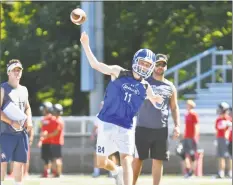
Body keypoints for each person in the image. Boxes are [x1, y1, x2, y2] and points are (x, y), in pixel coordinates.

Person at [80, 32, 163, 185]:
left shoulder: (146, 86)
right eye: (142, 62)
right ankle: (116, 170)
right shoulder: (119, 72)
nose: (144, 66)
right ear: (135, 61)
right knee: (101, 162)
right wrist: (85, 44)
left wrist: (157, 100)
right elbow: (96, 65)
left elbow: (154, 99)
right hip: (107, 122)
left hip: (127, 126)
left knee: (127, 158)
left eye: (147, 65)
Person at [132, 54, 180, 185]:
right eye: (157, 64)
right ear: (153, 66)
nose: (160, 67)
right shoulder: (143, 82)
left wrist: (177, 126)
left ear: (166, 66)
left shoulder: (170, 86)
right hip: (142, 127)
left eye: (163, 64)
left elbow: (174, 108)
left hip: (161, 129)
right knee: (137, 159)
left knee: (158, 160)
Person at [0, 59, 33, 185]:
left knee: (19, 163)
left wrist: (29, 120)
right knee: (2, 162)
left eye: (19, 70)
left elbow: (27, 107)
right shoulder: (2, 89)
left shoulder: (24, 89)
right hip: (5, 132)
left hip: (21, 133)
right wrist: (11, 122)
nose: (17, 73)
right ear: (8, 72)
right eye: (14, 70)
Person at [215, 102, 232, 178]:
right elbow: (217, 129)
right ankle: (221, 172)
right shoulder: (219, 119)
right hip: (220, 139)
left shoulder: (229, 119)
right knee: (221, 156)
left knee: (229, 156)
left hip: (228, 139)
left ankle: (230, 172)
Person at [183, 99, 199, 178]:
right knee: (185, 154)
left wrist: (195, 137)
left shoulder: (194, 114)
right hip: (186, 137)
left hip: (191, 137)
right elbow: (186, 127)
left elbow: (196, 126)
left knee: (192, 155)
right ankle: (188, 170)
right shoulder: (186, 114)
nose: (186, 106)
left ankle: (192, 172)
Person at [37, 102, 54, 178]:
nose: (43, 110)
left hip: (50, 141)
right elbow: (41, 130)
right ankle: (47, 172)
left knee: (49, 158)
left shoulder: (52, 119)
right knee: (46, 158)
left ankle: (48, 172)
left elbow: (47, 131)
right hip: (45, 141)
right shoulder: (43, 119)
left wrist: (41, 139)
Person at [48, 103, 65, 178]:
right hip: (56, 142)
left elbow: (56, 132)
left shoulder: (58, 121)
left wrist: (47, 136)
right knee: (56, 158)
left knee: (57, 158)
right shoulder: (58, 120)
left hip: (57, 142)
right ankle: (56, 173)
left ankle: (58, 173)